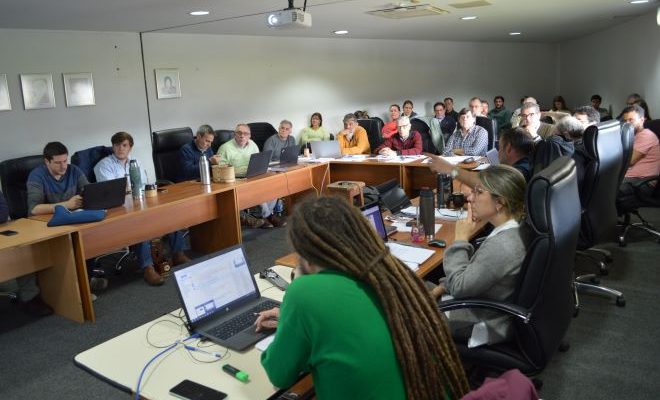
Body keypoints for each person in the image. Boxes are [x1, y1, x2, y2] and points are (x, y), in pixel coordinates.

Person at [257, 196, 469, 400]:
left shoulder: (304, 292)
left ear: (305, 256)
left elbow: (279, 375)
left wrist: (295, 298)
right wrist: (293, 320)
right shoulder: (392, 275)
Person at [430, 165, 527, 345]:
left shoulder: (503, 246)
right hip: (476, 302)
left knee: (400, 301)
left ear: (500, 202)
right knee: (409, 285)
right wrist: (443, 287)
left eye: (479, 192)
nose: (470, 197)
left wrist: (460, 240)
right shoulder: (514, 228)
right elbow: (474, 275)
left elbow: (460, 286)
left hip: (478, 320)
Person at [94, 132, 189, 286]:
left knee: (171, 214)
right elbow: (111, 192)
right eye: (117, 145)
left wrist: (131, 188)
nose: (120, 149)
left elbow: (144, 184)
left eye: (124, 145)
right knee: (141, 225)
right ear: (112, 147)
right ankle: (148, 267)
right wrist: (130, 188)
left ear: (130, 147)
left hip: (141, 202)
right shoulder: (104, 165)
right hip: (120, 209)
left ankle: (178, 253)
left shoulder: (135, 161)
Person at [20, 142, 88, 315]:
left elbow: (88, 191)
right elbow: (34, 209)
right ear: (47, 162)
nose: (63, 166)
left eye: (65, 160)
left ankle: (85, 281)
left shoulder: (73, 170)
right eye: (58, 162)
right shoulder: (37, 176)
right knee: (25, 254)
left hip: (70, 221)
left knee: (89, 235)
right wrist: (66, 204)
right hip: (43, 225)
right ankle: (30, 297)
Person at [217, 124, 286, 228]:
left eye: (245, 134)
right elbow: (221, 170)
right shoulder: (225, 148)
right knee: (256, 186)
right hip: (236, 178)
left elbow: (259, 160)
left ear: (249, 136)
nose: (242, 136)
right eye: (239, 133)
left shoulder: (253, 144)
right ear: (235, 134)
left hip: (254, 174)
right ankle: (269, 216)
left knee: (274, 183)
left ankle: (265, 215)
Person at [429, 127, 534, 185]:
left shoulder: (518, 173)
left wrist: (450, 169)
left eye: (500, 148)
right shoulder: (526, 165)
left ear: (509, 148)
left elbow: (481, 184)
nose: (498, 152)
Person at [617, 105, 660, 213]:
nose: (627, 123)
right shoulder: (632, 136)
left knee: (602, 189)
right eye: (625, 120)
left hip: (641, 183)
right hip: (630, 179)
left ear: (642, 120)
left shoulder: (646, 136)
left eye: (631, 120)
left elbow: (629, 161)